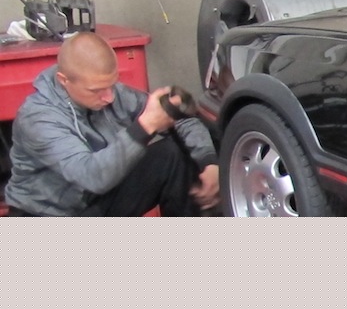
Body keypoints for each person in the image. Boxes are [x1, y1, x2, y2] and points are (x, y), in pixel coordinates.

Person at [3, 30, 219, 216]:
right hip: (47, 215)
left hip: (96, 202)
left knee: (173, 153)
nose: (109, 97)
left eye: (112, 85)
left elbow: (184, 122)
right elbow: (92, 176)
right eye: (96, 90)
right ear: (64, 80)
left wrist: (209, 163)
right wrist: (144, 126)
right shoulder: (38, 118)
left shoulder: (113, 94)